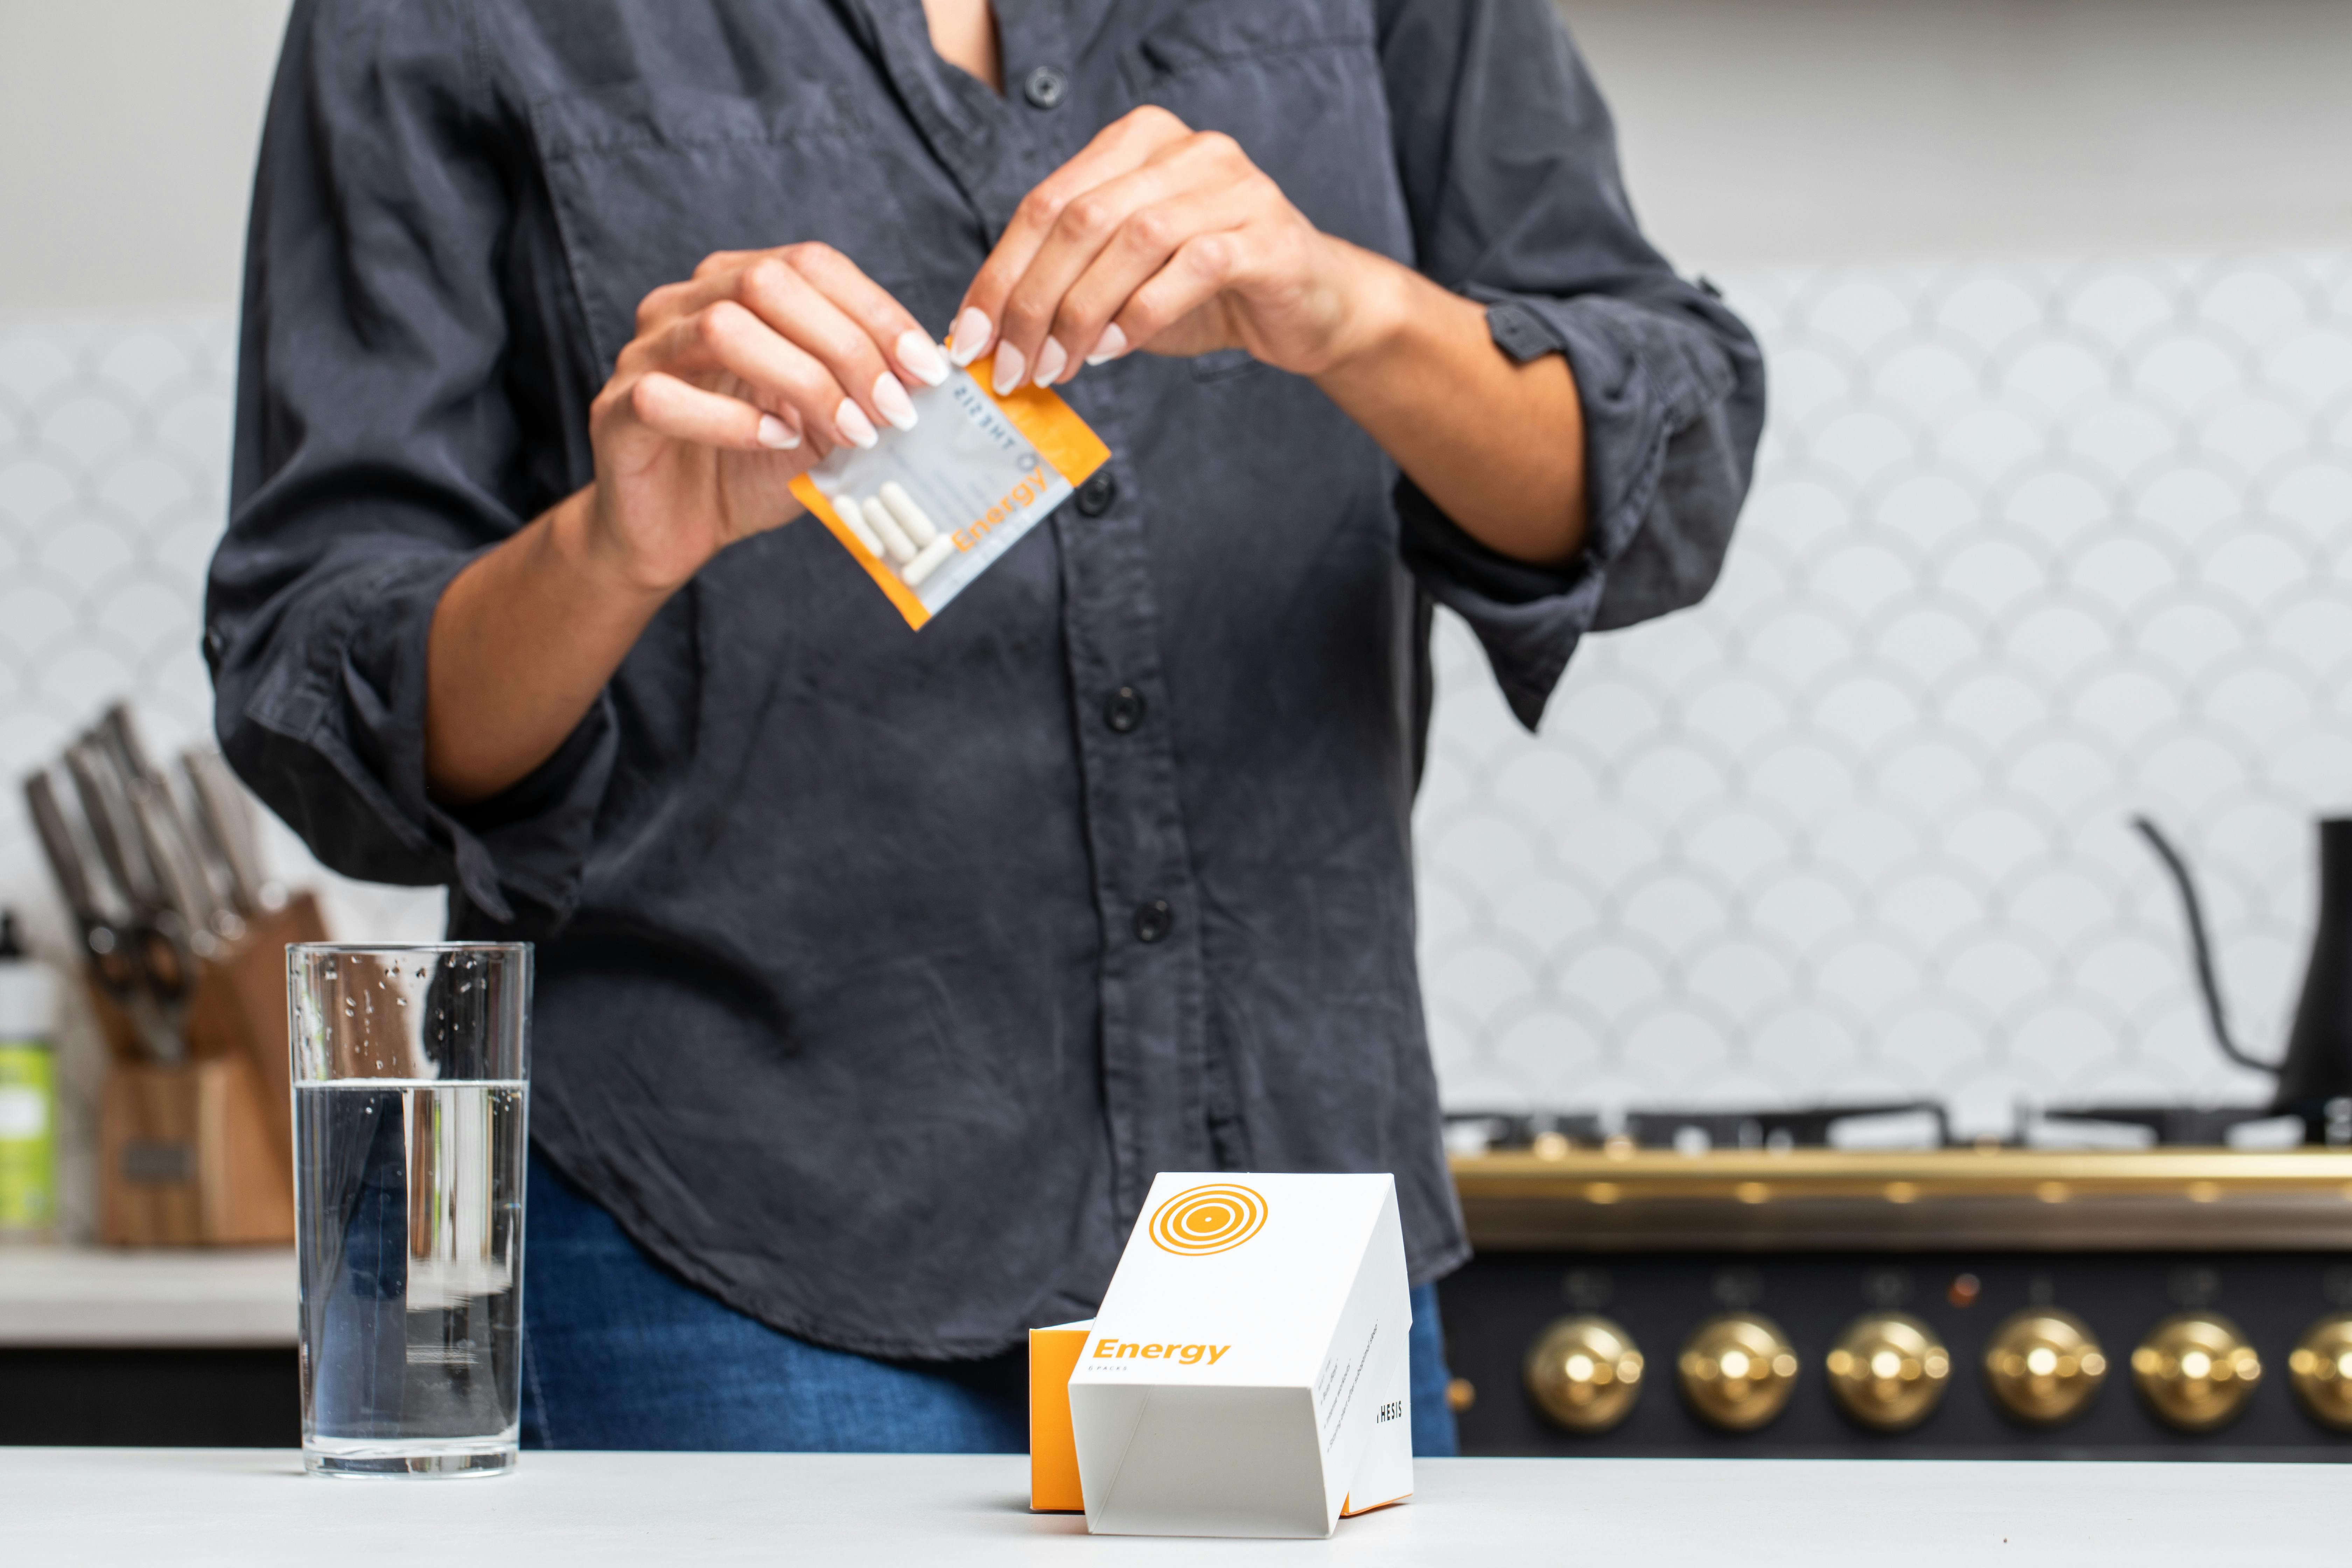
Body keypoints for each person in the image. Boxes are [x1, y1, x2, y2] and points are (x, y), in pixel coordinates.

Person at [209, 0, 1764, 1453]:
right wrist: (609, 550)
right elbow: (332, 704)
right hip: (727, 1246)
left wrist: (1354, 311)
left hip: (1285, 1231)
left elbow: (1661, 481)